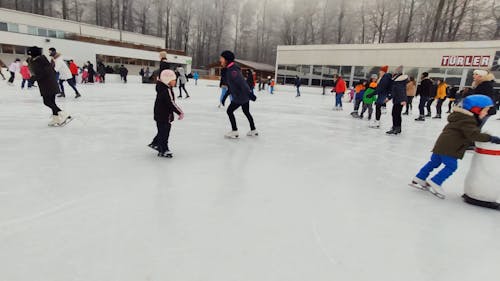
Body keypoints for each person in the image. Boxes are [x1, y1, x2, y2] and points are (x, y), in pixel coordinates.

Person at [411, 95, 500, 199]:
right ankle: (436, 181)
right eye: (485, 110)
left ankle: (420, 177)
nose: (486, 114)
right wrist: (491, 138)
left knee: (434, 162)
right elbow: (473, 135)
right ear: (476, 109)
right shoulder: (468, 120)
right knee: (451, 166)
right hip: (451, 147)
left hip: (441, 144)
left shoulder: (459, 116)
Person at [27, 46, 71, 126]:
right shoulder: (40, 59)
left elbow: (42, 73)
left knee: (47, 102)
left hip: (47, 84)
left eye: (30, 54)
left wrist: (33, 79)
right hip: (49, 83)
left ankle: (63, 114)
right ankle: (56, 119)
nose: (29, 56)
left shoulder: (39, 60)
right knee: (52, 102)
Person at [219, 50, 258, 138]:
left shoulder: (233, 70)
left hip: (241, 96)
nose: (220, 60)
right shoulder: (230, 69)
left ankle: (234, 131)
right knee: (246, 112)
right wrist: (224, 97)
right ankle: (253, 130)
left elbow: (242, 83)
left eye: (221, 58)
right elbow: (231, 86)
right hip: (243, 95)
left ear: (226, 59)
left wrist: (249, 94)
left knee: (229, 111)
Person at [386, 68, 408, 135]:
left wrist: (403, 100)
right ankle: (397, 127)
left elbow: (400, 91)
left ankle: (396, 128)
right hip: (398, 100)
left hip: (399, 100)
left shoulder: (399, 82)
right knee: (396, 114)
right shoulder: (399, 81)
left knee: (395, 114)